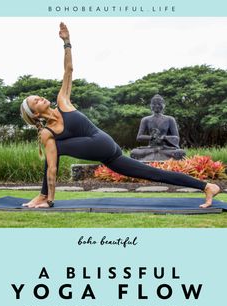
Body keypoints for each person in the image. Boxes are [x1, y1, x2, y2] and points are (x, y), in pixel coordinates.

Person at [20, 23, 220, 209]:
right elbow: (51, 169)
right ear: (35, 114)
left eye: (37, 96)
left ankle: (43, 196)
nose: (40, 98)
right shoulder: (47, 132)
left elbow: (68, 70)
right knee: (153, 173)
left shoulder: (63, 102)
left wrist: (67, 42)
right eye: (35, 101)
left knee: (54, 148)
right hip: (111, 155)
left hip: (100, 142)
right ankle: (206, 186)